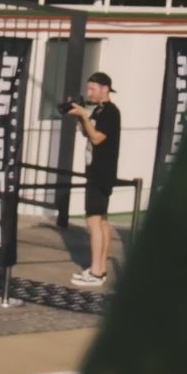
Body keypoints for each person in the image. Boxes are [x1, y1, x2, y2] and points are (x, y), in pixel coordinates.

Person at [68, 73, 123, 289]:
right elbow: (86, 133)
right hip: (96, 170)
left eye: (92, 89)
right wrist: (80, 116)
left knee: (93, 221)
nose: (89, 93)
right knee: (101, 220)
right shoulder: (99, 111)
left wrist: (84, 115)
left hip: (101, 172)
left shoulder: (110, 112)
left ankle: (96, 271)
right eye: (88, 89)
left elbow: (97, 138)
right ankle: (100, 268)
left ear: (105, 89)